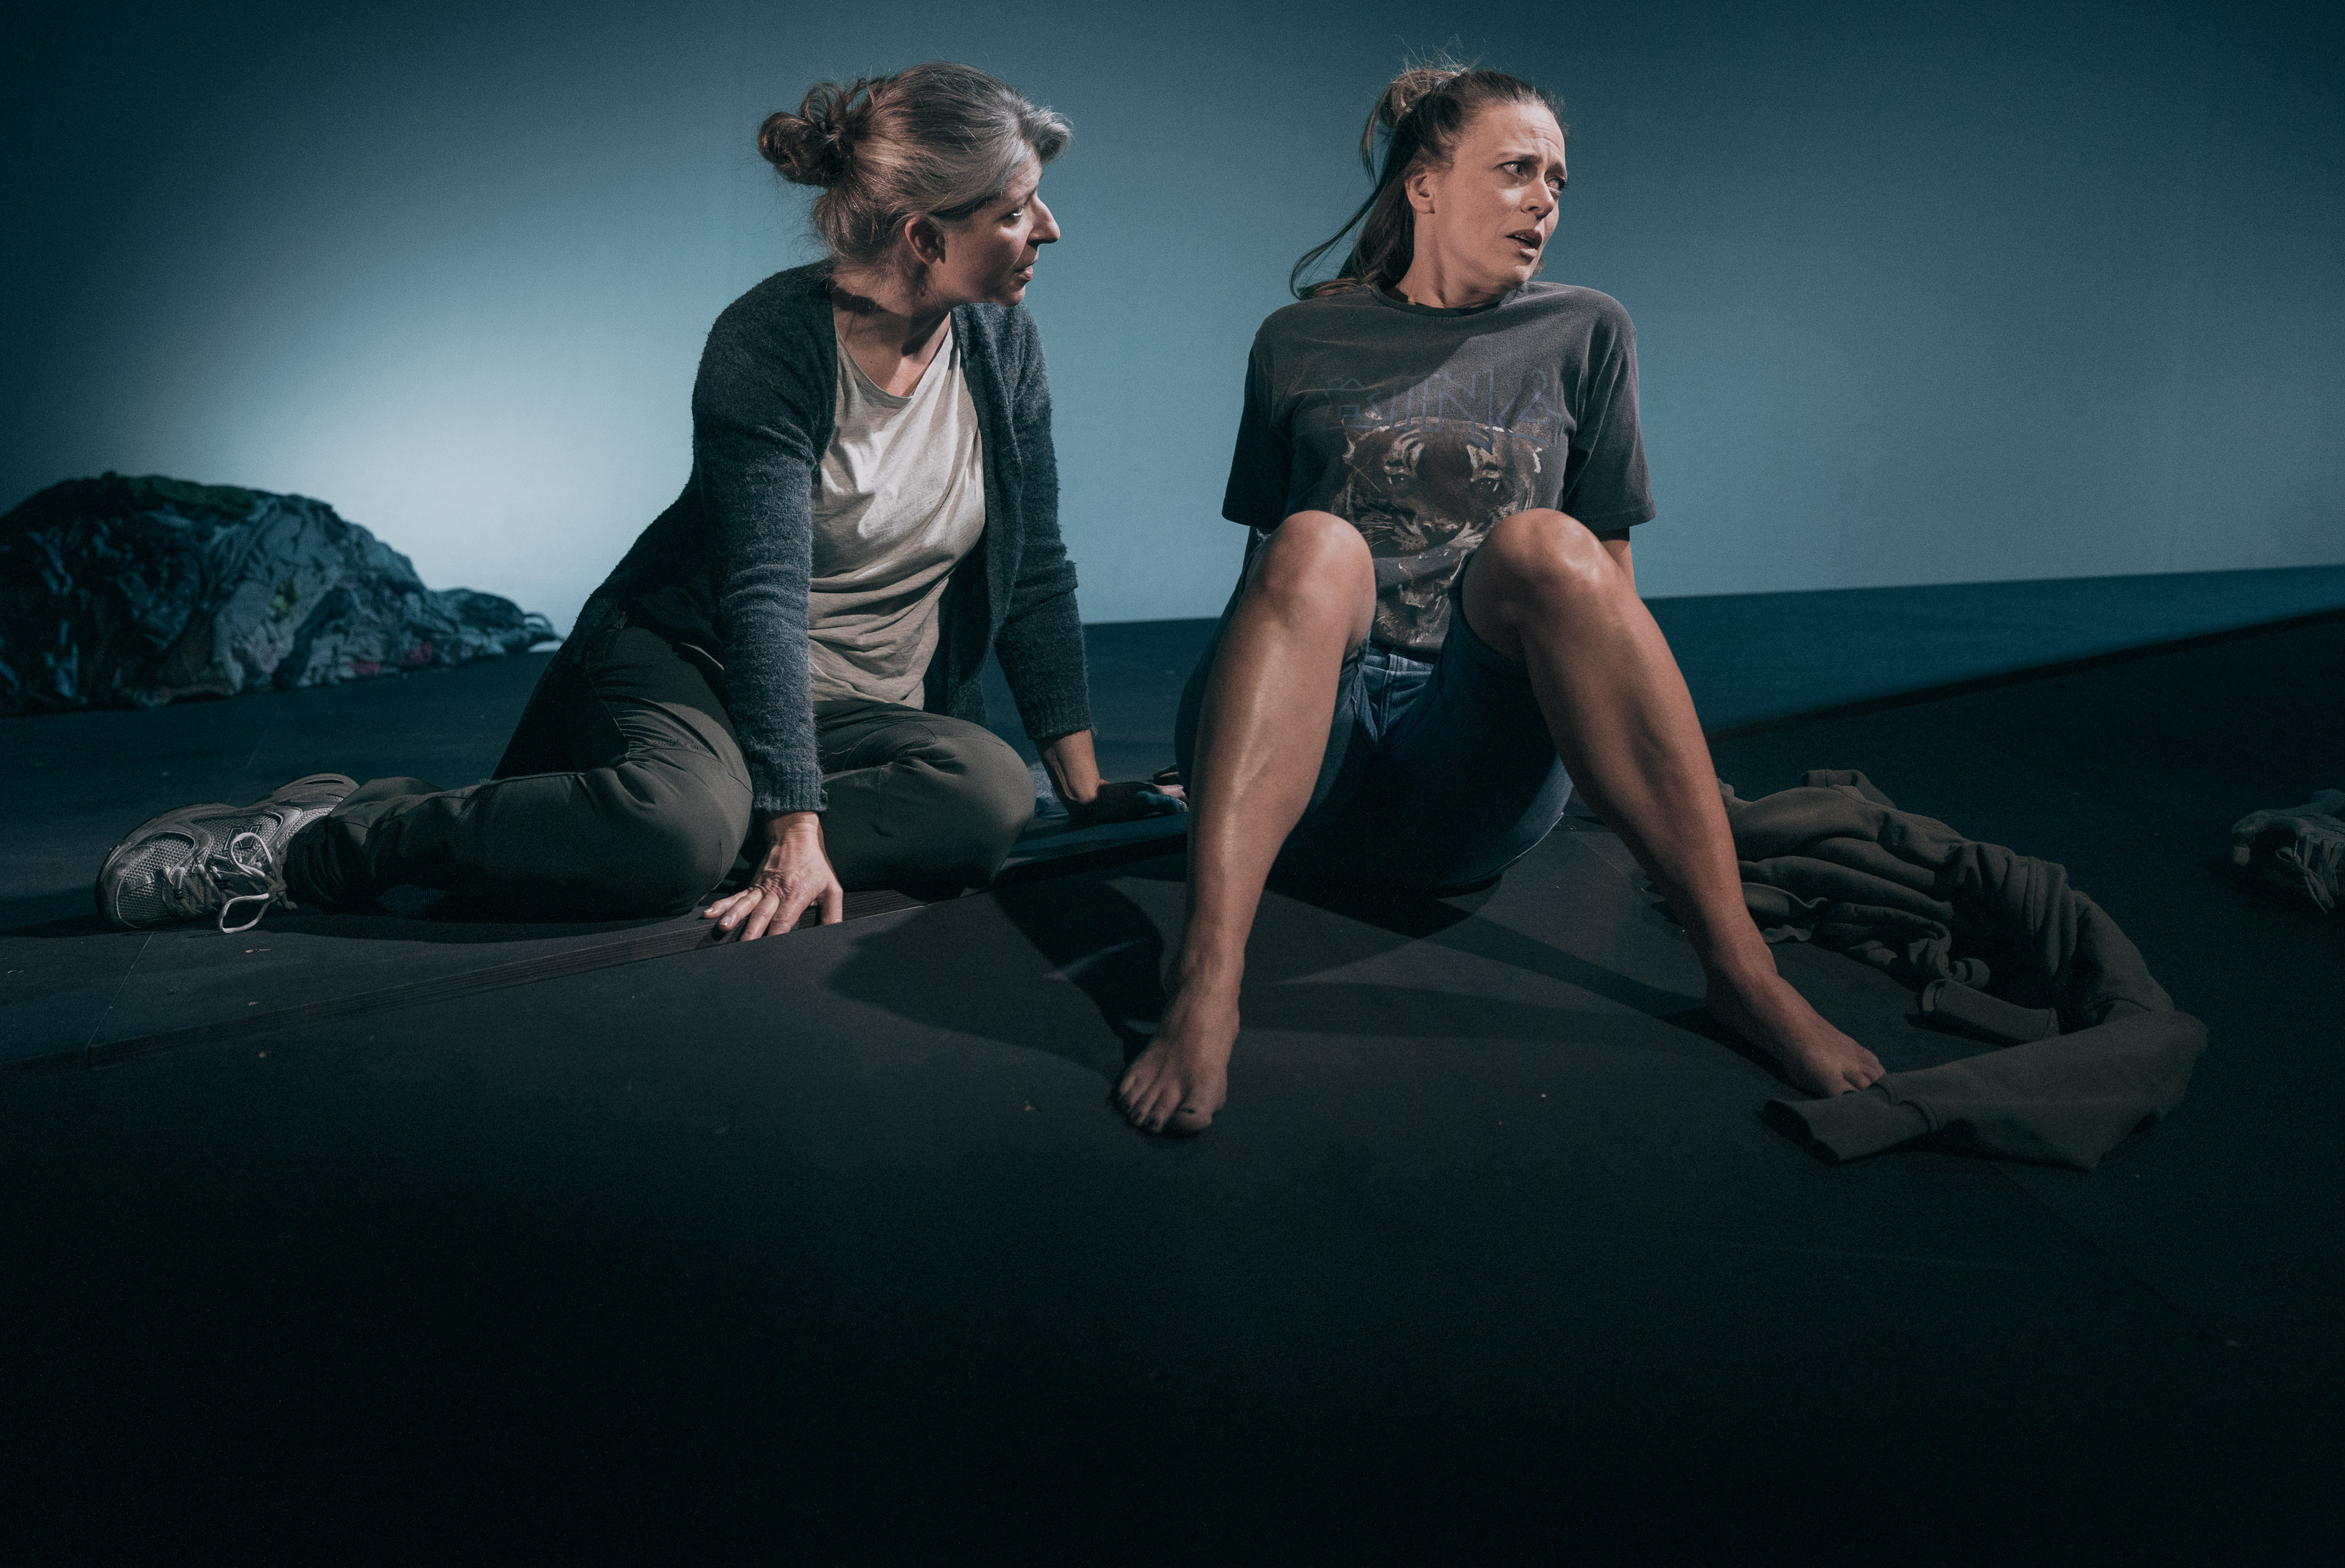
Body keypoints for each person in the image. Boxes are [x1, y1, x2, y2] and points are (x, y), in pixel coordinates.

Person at [97, 62, 1173, 939]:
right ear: (925, 237)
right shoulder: (768, 346)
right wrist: (796, 830)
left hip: (852, 706)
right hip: (698, 657)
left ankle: (694, 817)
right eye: (1016, 209)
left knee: (989, 797)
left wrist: (1081, 792)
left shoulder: (1002, 347)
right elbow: (760, 598)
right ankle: (327, 840)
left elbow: (1034, 568)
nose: (1049, 228)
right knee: (674, 840)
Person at [1114, 62, 1886, 1136]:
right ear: (1424, 185)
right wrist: (1216, 759)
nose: (1544, 201)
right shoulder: (1296, 339)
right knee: (1318, 541)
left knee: (1549, 545)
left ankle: (1743, 973)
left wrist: (1657, 784)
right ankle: (1205, 978)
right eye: (1517, 170)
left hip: (1467, 771)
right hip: (1310, 769)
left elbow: (1606, 581)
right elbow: (1266, 572)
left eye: (1558, 182)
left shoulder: (1588, 330)